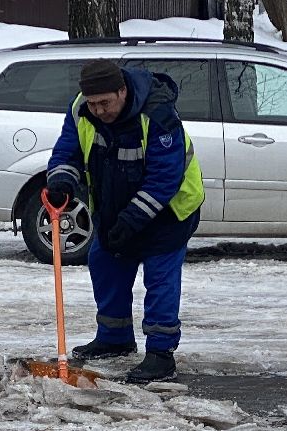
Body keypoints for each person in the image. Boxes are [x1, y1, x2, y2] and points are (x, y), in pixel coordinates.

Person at [44, 59, 204, 384]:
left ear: (122, 90)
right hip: (115, 204)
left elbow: (164, 177)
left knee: (159, 279)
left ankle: (161, 354)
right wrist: (61, 182)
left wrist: (132, 220)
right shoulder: (80, 110)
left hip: (169, 210)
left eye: (106, 102)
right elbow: (67, 152)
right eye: (93, 103)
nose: (100, 110)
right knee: (105, 262)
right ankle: (114, 338)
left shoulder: (157, 114)